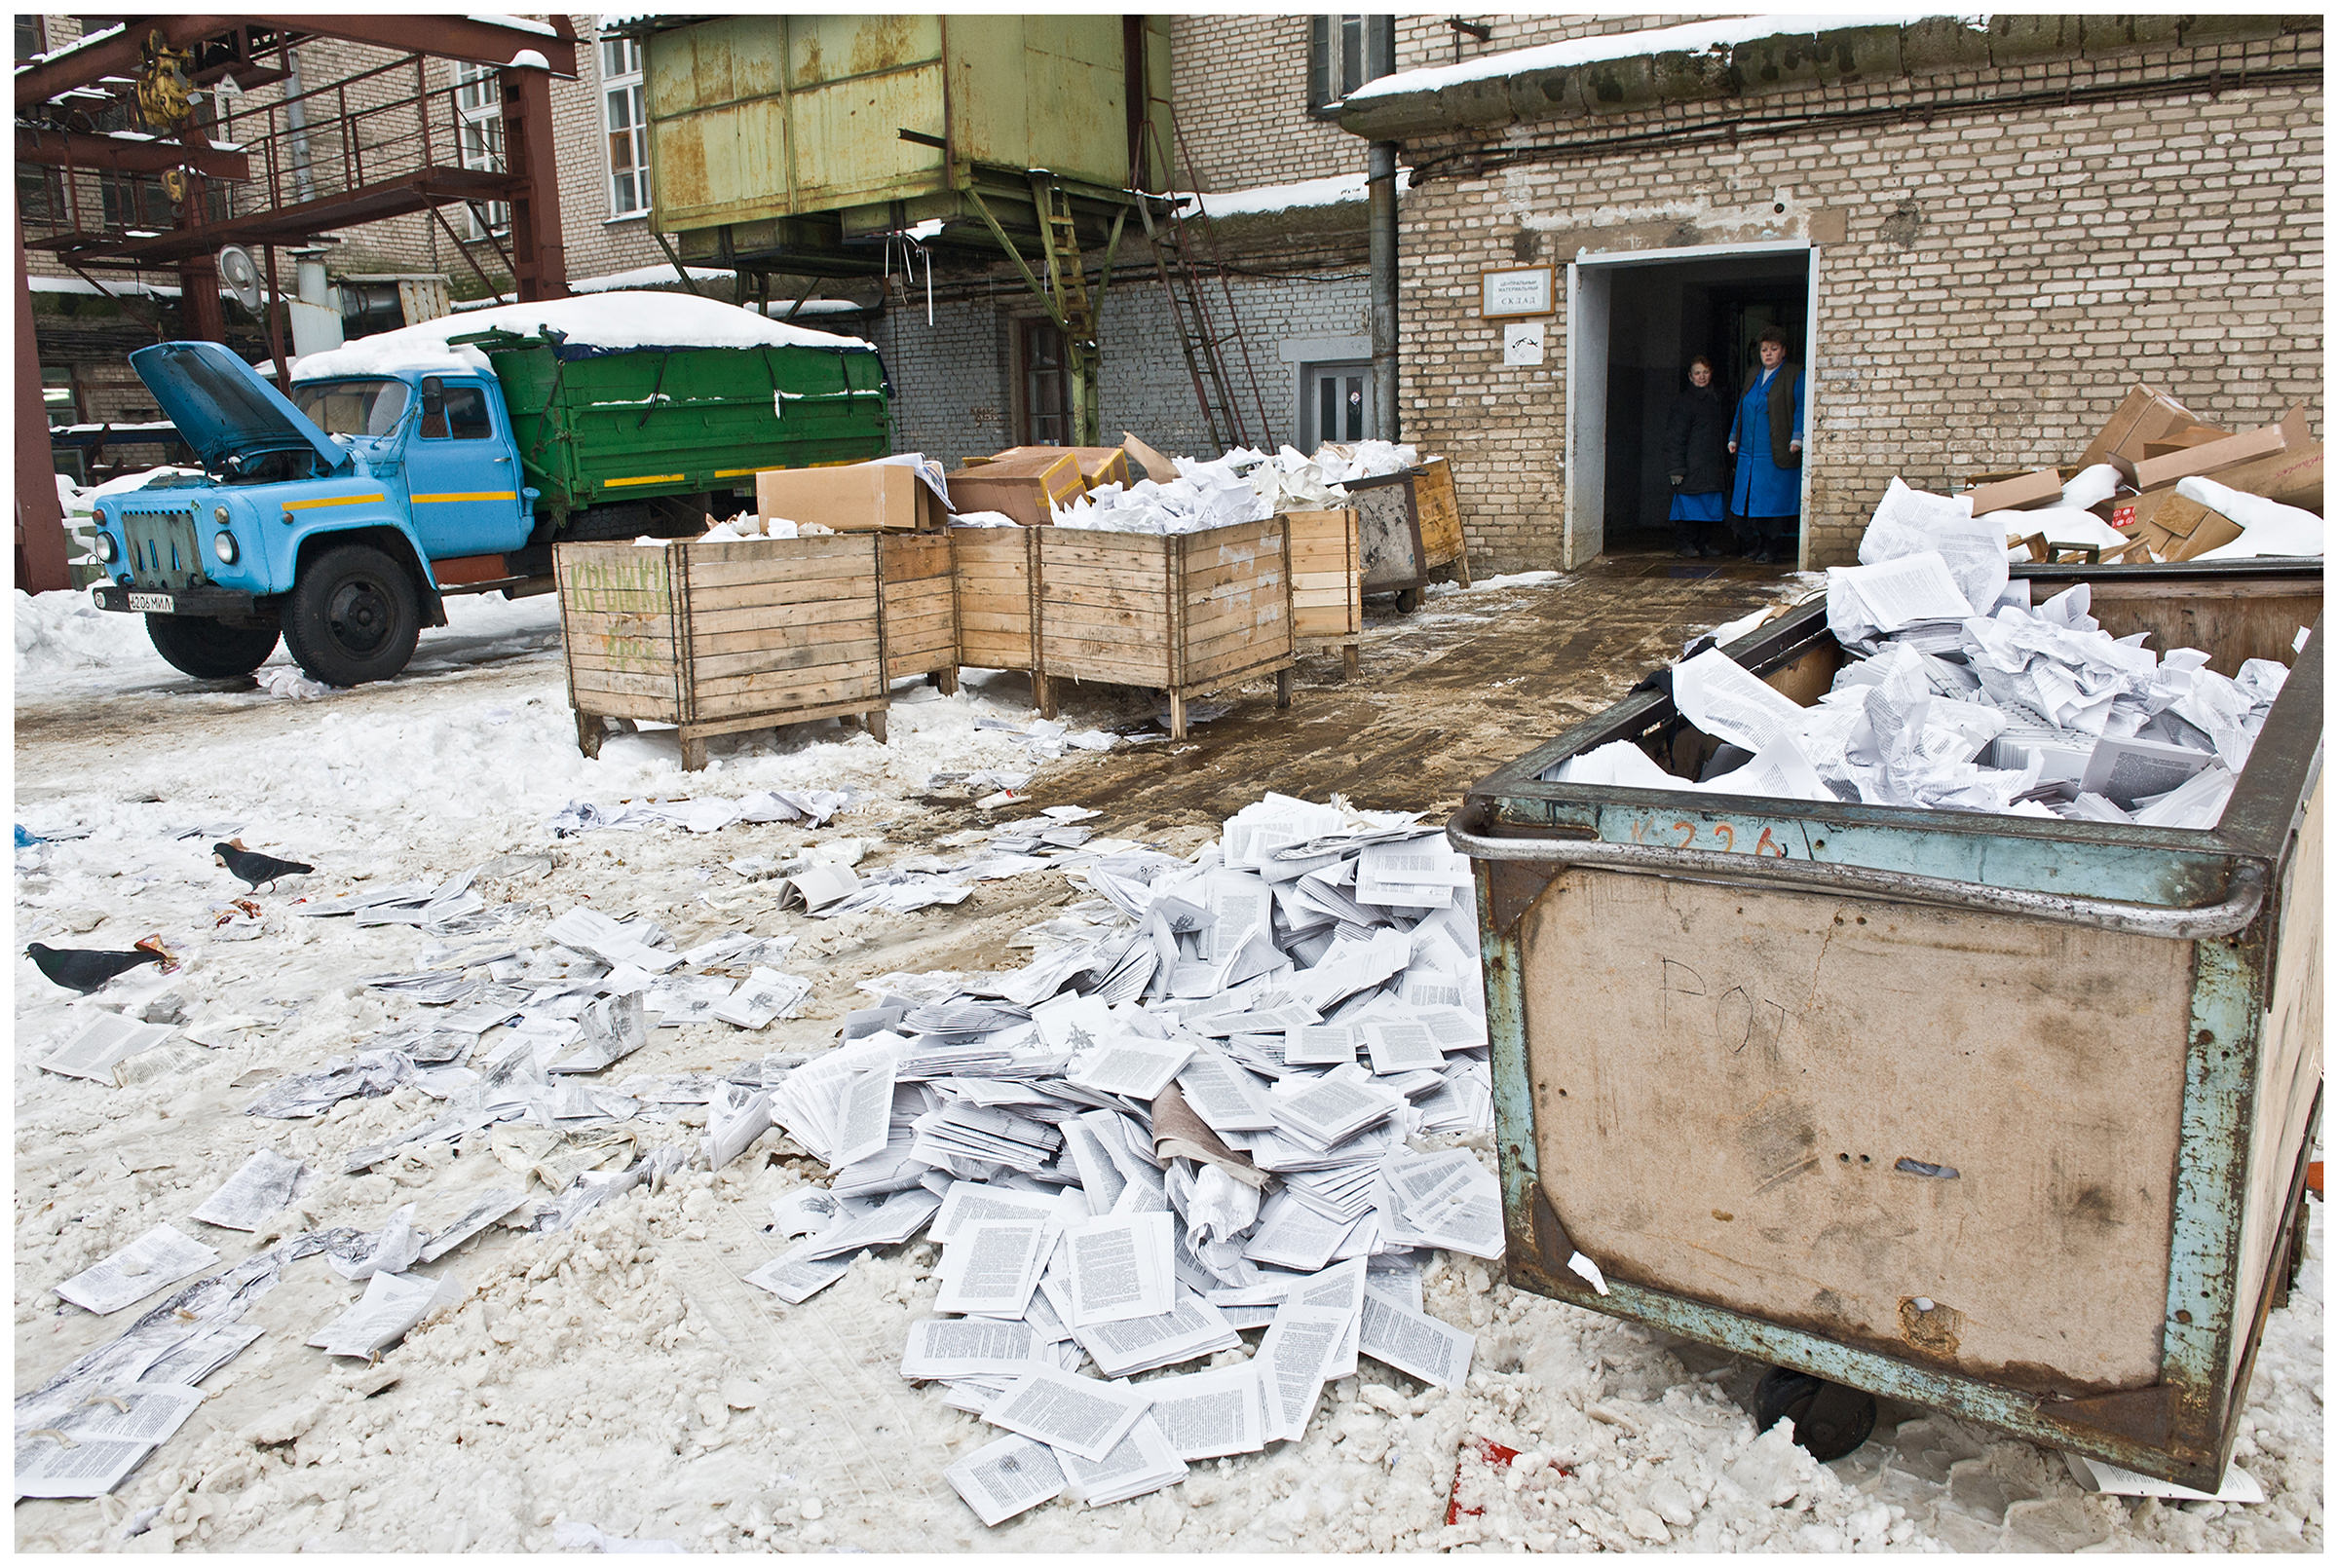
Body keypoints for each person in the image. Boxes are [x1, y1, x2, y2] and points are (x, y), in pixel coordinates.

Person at [1726, 324, 1805, 564]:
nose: (1768, 354)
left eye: (1773, 349)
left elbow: (1801, 405)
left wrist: (1797, 436)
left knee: (1773, 502)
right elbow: (1742, 406)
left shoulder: (1794, 374)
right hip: (1750, 452)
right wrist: (1733, 436)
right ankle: (1758, 544)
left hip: (1775, 450)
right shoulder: (1753, 374)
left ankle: (1772, 547)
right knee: (1751, 502)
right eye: (1764, 350)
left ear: (1783, 351)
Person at [1661, 355, 1731, 558]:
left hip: (1712, 466)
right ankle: (1685, 544)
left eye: (1706, 372)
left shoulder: (1717, 399)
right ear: (1690, 377)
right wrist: (1675, 468)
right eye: (1697, 373)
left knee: (1709, 508)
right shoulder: (1684, 403)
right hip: (1691, 467)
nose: (1702, 377)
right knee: (1688, 509)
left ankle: (1703, 544)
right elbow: (1674, 438)